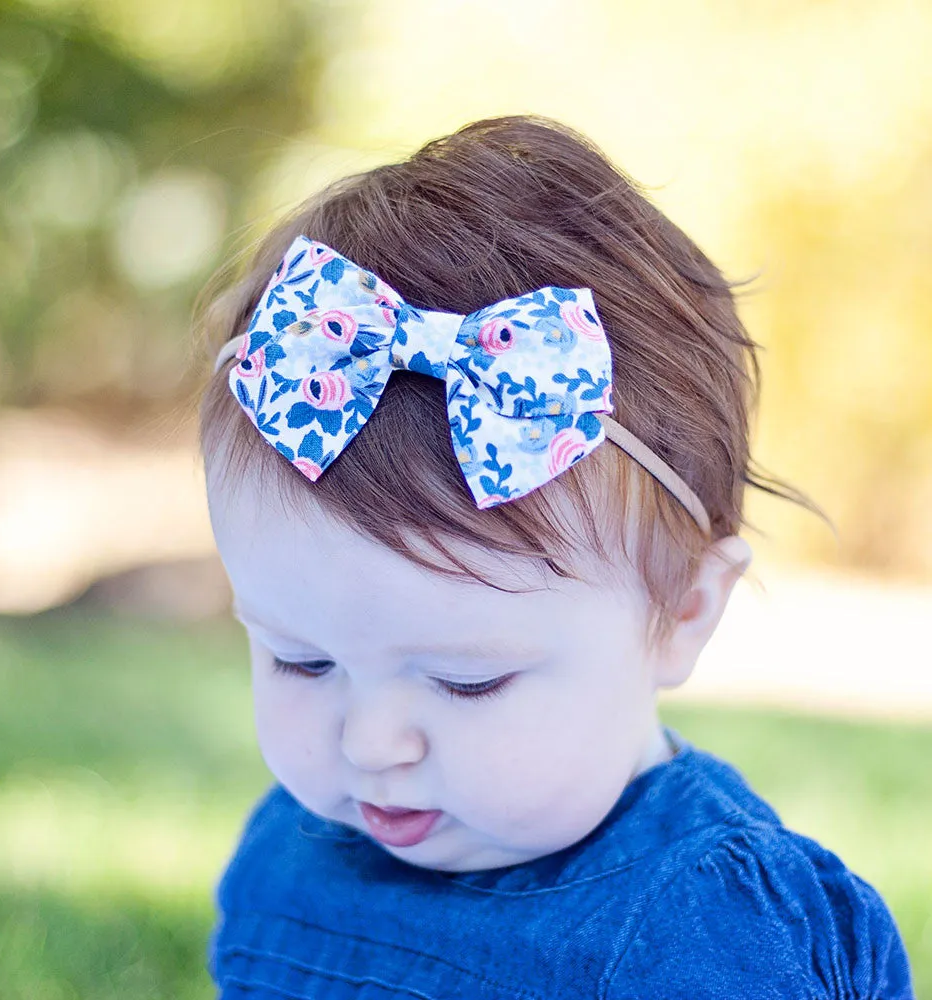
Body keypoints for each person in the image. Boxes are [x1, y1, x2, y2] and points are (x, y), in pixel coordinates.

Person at [197, 115, 914, 998]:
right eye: (300, 661)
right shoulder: (288, 857)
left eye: (468, 682)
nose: (373, 743)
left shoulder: (704, 931)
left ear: (682, 614)